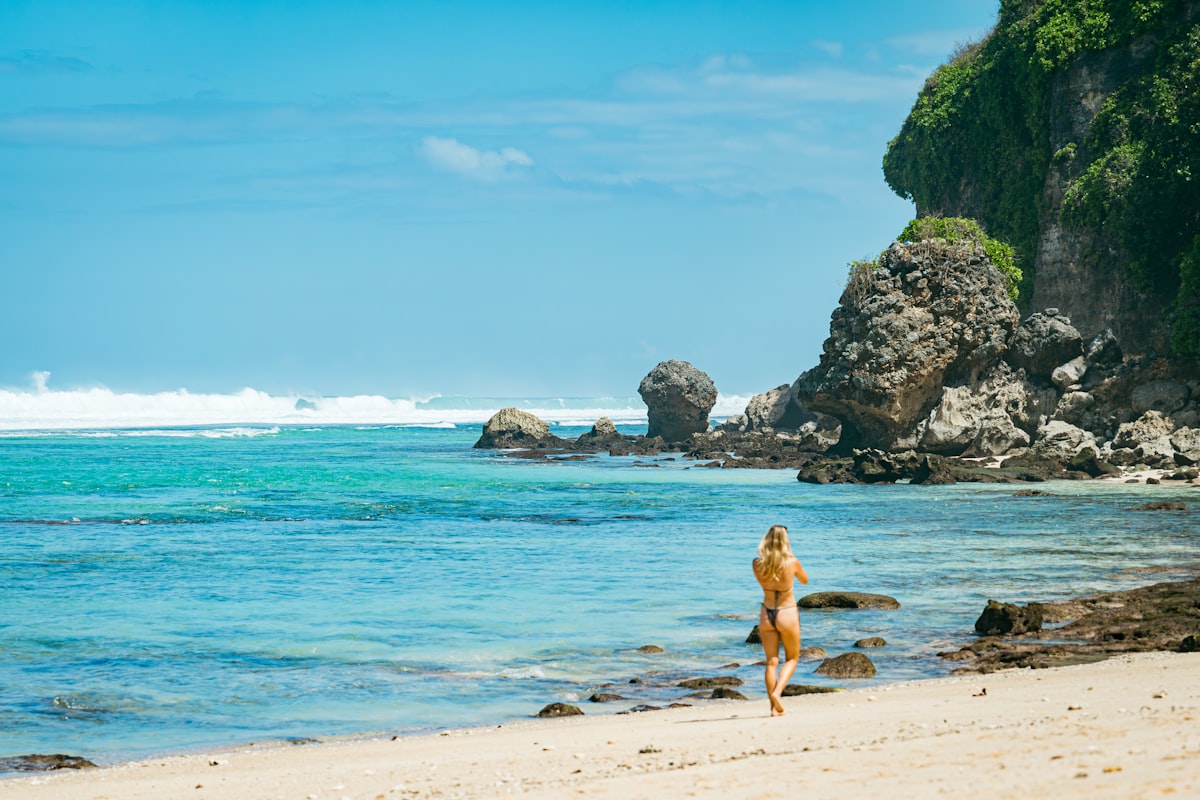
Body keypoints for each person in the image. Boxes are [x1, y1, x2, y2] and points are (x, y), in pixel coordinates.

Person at [752, 524, 808, 716]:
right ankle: (777, 692)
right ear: (786, 542)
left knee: (771, 662)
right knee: (792, 658)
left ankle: (773, 709)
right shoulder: (792, 562)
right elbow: (804, 580)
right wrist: (790, 554)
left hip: (767, 612)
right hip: (787, 612)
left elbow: (763, 581)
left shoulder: (757, 563)